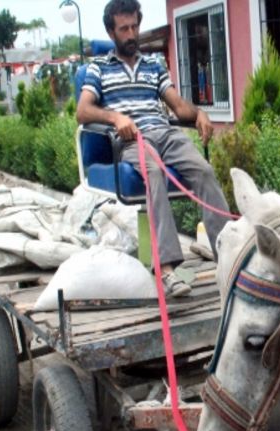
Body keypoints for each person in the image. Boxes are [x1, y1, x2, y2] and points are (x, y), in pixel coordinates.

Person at [77, 0, 230, 298]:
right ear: (112, 32)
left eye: (135, 26)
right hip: (132, 140)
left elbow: (178, 106)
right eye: (124, 29)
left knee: (204, 170)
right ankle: (169, 270)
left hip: (165, 133)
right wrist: (115, 117)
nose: (132, 34)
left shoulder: (154, 66)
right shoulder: (98, 68)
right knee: (154, 172)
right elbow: (83, 111)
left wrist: (199, 113)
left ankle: (229, 254)